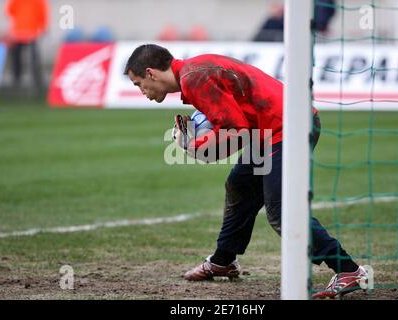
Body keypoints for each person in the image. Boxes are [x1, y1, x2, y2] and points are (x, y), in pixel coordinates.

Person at [124, 44, 370, 299]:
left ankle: (348, 270)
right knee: (240, 185)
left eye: (138, 83)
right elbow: (237, 128)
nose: (141, 91)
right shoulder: (194, 71)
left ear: (151, 73)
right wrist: (200, 147)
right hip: (271, 131)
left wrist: (193, 146)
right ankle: (223, 261)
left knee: (280, 212)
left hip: (287, 128)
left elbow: (236, 130)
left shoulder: (194, 77)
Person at [5, 0, 49, 93]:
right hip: (23, 33)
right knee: (20, 58)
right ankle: (20, 80)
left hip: (27, 33)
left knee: (30, 58)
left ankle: (32, 81)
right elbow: (10, 11)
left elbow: (10, 11)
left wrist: (43, 27)